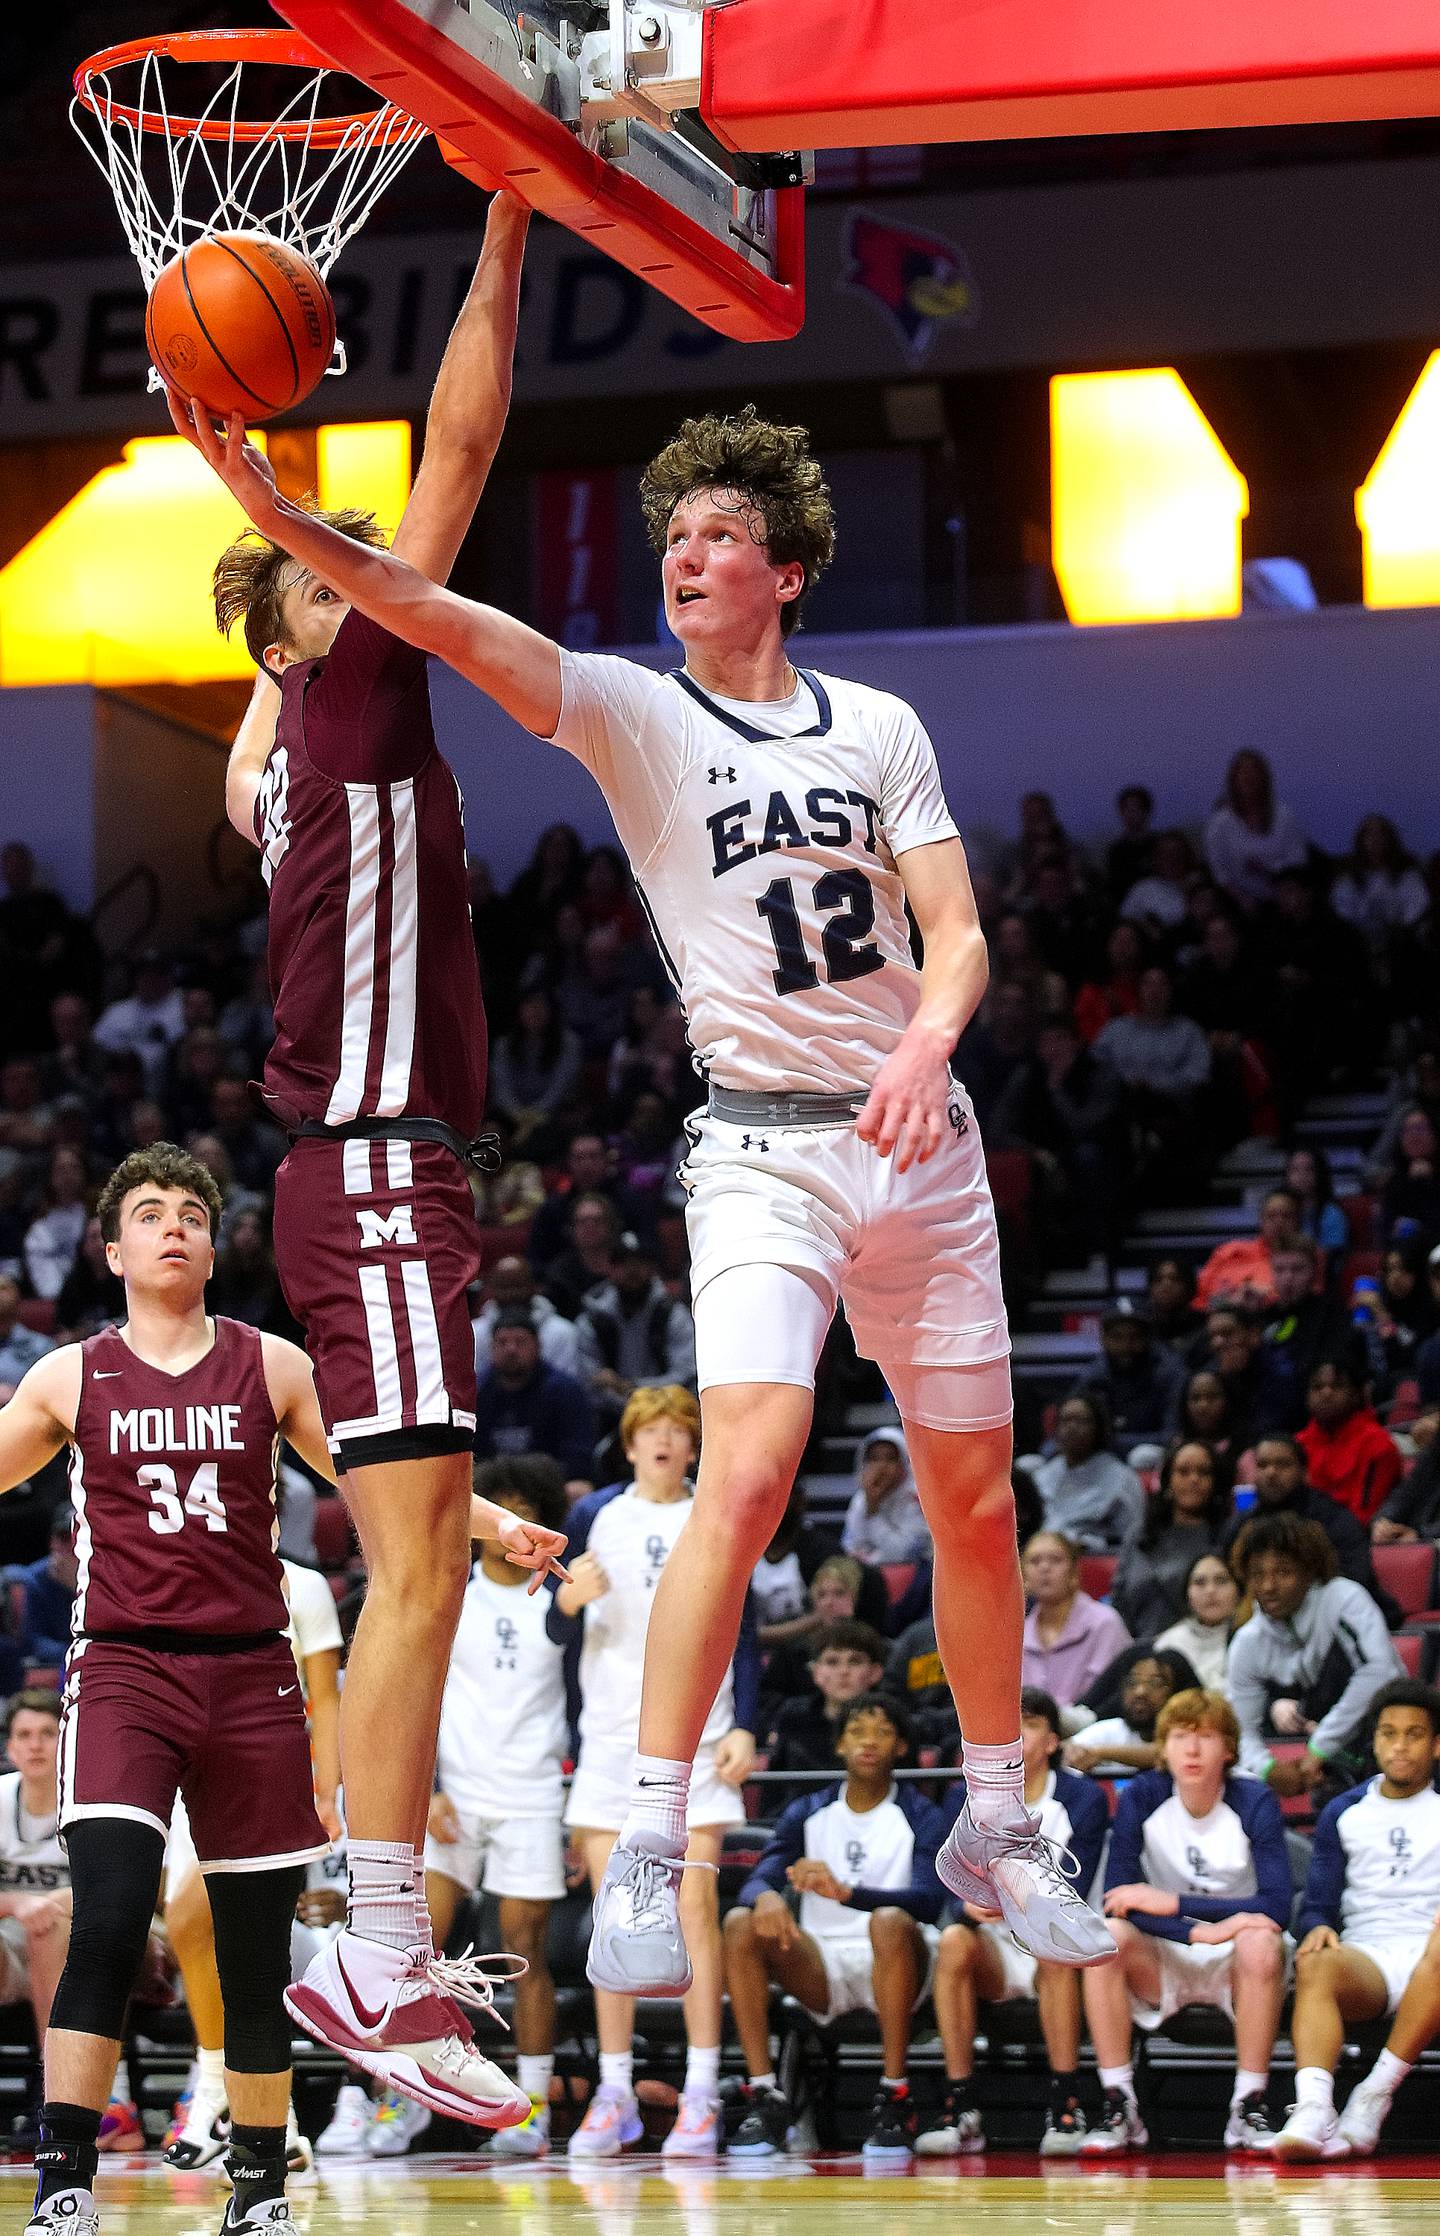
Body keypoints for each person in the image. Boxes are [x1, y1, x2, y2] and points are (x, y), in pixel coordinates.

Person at [173, 394, 1115, 1987]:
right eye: (672, 538)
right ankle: (652, 1838)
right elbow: (422, 605)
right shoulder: (629, 711)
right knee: (747, 1476)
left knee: (974, 1503)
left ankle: (997, 1816)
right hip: (760, 1147)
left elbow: (953, 933)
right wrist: (268, 505)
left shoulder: (881, 726)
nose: (684, 557)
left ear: (790, 570)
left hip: (921, 1139)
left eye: (719, 538)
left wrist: (933, 1038)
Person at [172, 199, 580, 2117]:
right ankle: (374, 1949)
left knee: (423, 1564)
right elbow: (462, 453)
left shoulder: (297, 739)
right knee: (417, 1573)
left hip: (375, 1178)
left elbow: (250, 724)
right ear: (298, 630)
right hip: (379, 1170)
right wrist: (504, 214)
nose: (371, 583)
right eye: (326, 585)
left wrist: (256, 505)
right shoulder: (346, 687)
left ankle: (379, 1948)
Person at [0, 1144, 333, 2236]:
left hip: (251, 1669)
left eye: (192, 1211)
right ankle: (62, 2182)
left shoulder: (274, 1365)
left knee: (251, 1944)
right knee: (105, 1916)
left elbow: (377, 1482)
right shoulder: (67, 1374)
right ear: (114, 1248)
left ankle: (261, 2188)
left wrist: (489, 1523)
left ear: (210, 1244)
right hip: (127, 1667)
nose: (174, 1225)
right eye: (150, 1213)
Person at [551, 1386, 755, 2159]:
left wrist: (749, 1724)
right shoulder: (594, 1516)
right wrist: (566, 1601)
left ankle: (701, 2094)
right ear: (630, 1446)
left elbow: (751, 1630)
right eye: (652, 1432)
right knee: (616, 1915)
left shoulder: (717, 1510)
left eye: (679, 1431)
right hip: (609, 1740)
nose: (666, 1442)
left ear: (695, 1446)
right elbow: (553, 1624)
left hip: (702, 1737)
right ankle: (614, 2093)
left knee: (694, 1907)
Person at [161, 1551, 344, 2177]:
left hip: (270, 1767)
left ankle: (219, 2093)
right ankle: (273, 2121)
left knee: (208, 1925)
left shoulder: (306, 1585)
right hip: (192, 1766)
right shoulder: (185, 1559)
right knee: (216, 1941)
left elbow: (326, 1698)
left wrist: (325, 1790)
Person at [723, 1692, 947, 2162]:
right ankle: (765, 2096)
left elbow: (928, 1902)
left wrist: (849, 1894)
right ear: (840, 1745)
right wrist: (765, 1895)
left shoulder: (922, 1814)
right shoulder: (808, 1810)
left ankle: (895, 2096)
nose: (869, 1742)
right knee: (742, 1923)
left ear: (902, 1747)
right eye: (857, 1732)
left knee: (887, 1922)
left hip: (901, 1960)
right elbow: (763, 1873)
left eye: (882, 1732)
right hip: (821, 1964)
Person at [424, 1456, 571, 2162]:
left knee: (524, 1953)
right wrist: (425, 1789)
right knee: (411, 1951)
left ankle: (533, 2106)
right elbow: (413, 1695)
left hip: (535, 1795)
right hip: (454, 1795)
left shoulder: (562, 1603)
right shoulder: (449, 1590)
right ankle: (402, 2102)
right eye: (498, 1515)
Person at [1080, 1689, 1291, 2156]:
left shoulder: (1254, 1800)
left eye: (1206, 1737)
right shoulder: (1141, 1798)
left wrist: (1171, 1902)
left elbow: (1277, 1907)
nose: (1192, 1750)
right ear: (1163, 1748)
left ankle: (1249, 2104)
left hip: (1238, 1958)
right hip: (1165, 1953)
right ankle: (1120, 2103)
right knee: (1105, 1937)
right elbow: (1119, 1900)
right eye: (1180, 1737)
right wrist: (1194, 1929)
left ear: (1229, 1750)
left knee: (1262, 1939)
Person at [919, 1688, 1108, 2157]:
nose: (1016, 1736)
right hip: (997, 1945)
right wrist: (968, 1903)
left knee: (1056, 1945)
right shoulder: (964, 1798)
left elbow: (1074, 1890)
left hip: (1055, 1937)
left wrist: (1008, 1900)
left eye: (1027, 1725)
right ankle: (960, 2102)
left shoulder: (1082, 1797)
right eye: (1008, 1726)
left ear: (1052, 1741)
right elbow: (945, 1878)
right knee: (954, 1942)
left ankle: (1065, 2100)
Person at [1272, 1681, 1440, 2161]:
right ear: (1375, 1742)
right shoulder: (1344, 1812)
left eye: (1414, 1734)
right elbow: (1320, 1903)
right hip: (1370, 1957)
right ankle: (1314, 2108)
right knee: (1317, 1962)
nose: (1400, 1745)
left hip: (1434, 1952)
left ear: (1436, 1744)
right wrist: (1317, 1926)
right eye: (1389, 1733)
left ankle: (1372, 2096)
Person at [1226, 1514, 1404, 1800]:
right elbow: (1239, 1729)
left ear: (1309, 1572)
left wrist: (1319, 1748)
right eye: (1258, 1574)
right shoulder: (1247, 1642)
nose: (1269, 1586)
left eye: (1283, 1572)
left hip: (1396, 1744)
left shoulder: (1343, 1600)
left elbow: (1379, 1673)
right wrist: (1267, 1769)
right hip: (1333, 1771)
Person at [1219, 1434, 1390, 1609]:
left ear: (1304, 1472)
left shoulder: (1332, 1517)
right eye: (1263, 1465)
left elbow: (1355, 1575)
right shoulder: (1242, 1523)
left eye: (1283, 1464)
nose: (1271, 1473)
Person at [0, 1690, 71, 2049]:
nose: (36, 1746)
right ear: (10, 1748)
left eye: (48, 1733)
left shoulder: (92, 1801)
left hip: (83, 1937)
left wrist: (52, 1903)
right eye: (24, 1736)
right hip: (11, 1944)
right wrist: (16, 1904)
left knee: (49, 1933)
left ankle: (58, 2087)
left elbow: (138, 1889)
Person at [1109, 1441, 1233, 1638]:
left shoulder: (1227, 1538)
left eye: (1203, 1472)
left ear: (1216, 1482)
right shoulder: (1139, 1534)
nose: (1193, 1479)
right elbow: (1118, 1601)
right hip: (1132, 1650)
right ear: (1167, 1481)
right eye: (1183, 1472)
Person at [766, 1620, 888, 1812]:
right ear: (815, 1672)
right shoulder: (792, 1718)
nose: (843, 1671)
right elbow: (774, 1790)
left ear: (875, 1672)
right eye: (832, 1661)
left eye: (855, 1661)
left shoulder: (891, 1721)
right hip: (798, 1825)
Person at [473, 1311, 598, 1493]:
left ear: (538, 1346)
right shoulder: (476, 1392)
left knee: (579, 1489)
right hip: (491, 1485)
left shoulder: (564, 1390)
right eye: (502, 1342)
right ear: (491, 1348)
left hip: (548, 1485)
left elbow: (577, 1457)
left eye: (520, 1342)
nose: (511, 1349)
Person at [1019, 1531, 1131, 1708]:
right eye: (1035, 1561)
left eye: (1055, 1560)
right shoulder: (1016, 1634)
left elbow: (1113, 1697)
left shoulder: (1105, 1623)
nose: (1044, 1568)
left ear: (1074, 1571)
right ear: (1023, 1575)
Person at [1024, 1395, 1144, 1552]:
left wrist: (1092, 1544)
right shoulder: (1042, 1475)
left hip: (1092, 1560)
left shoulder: (1122, 1479)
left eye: (1081, 1420)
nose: (1072, 1427)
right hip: (1040, 1556)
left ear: (1098, 1428)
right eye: (1066, 1420)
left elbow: (1131, 1539)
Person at [1068, 1300, 1184, 1460]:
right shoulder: (1094, 1375)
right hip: (1101, 1459)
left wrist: (1108, 1442)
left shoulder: (1169, 1372)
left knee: (1143, 1456)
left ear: (1148, 1338)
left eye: (1134, 1336)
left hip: (1156, 1461)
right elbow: (1071, 1430)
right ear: (1103, 1338)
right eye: (1117, 1336)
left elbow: (1172, 1436)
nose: (1126, 1345)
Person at [1296, 1358, 1403, 1527]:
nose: (1326, 1393)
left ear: (1357, 1394)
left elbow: (1365, 1516)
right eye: (1317, 1387)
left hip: (1351, 1541)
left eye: (1337, 1386)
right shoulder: (1299, 1443)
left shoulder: (1377, 1444)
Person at [1203, 747, 1308, 910]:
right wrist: (1243, 900)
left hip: (1283, 902)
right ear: (1234, 780)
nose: (1248, 778)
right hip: (1236, 904)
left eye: (1253, 772)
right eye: (1243, 773)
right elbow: (1219, 871)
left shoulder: (1284, 817)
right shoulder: (1219, 823)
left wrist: (1269, 869)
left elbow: (1297, 861)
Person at [1062, 1652, 1182, 1777]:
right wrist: (1072, 1753)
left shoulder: (1190, 1732)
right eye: (1132, 1682)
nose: (1140, 1692)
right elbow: (1063, 1750)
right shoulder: (1111, 1729)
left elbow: (1164, 1753)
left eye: (1154, 1683)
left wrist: (1101, 1753)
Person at [472, 1256, 582, 1384]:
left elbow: (567, 1386)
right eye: (504, 1287)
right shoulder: (474, 1333)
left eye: (517, 1286)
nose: (511, 1294)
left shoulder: (563, 1332)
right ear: (491, 1289)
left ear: (533, 1286)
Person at [1194, 1188, 1303, 1314]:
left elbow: (1309, 1299)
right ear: (1261, 1220)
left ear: (1298, 1220)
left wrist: (1267, 1298)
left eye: (1286, 1216)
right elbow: (1199, 1298)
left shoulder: (1309, 1255)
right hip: (1217, 1321)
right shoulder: (1229, 1251)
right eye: (1271, 1216)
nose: (1279, 1222)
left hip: (1278, 1323)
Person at [841, 1428, 931, 1566]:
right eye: (874, 1459)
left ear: (904, 1462)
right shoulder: (861, 1499)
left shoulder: (918, 1498)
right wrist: (871, 1503)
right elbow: (851, 1547)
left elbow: (903, 1554)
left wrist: (873, 1512)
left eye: (890, 1459)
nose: (881, 1466)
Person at [1154, 1552, 1239, 1692]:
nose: (1210, 1591)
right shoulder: (1169, 1643)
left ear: (1238, 1589)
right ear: (1187, 1593)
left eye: (1221, 1581)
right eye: (1200, 1582)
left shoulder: (1249, 1638)